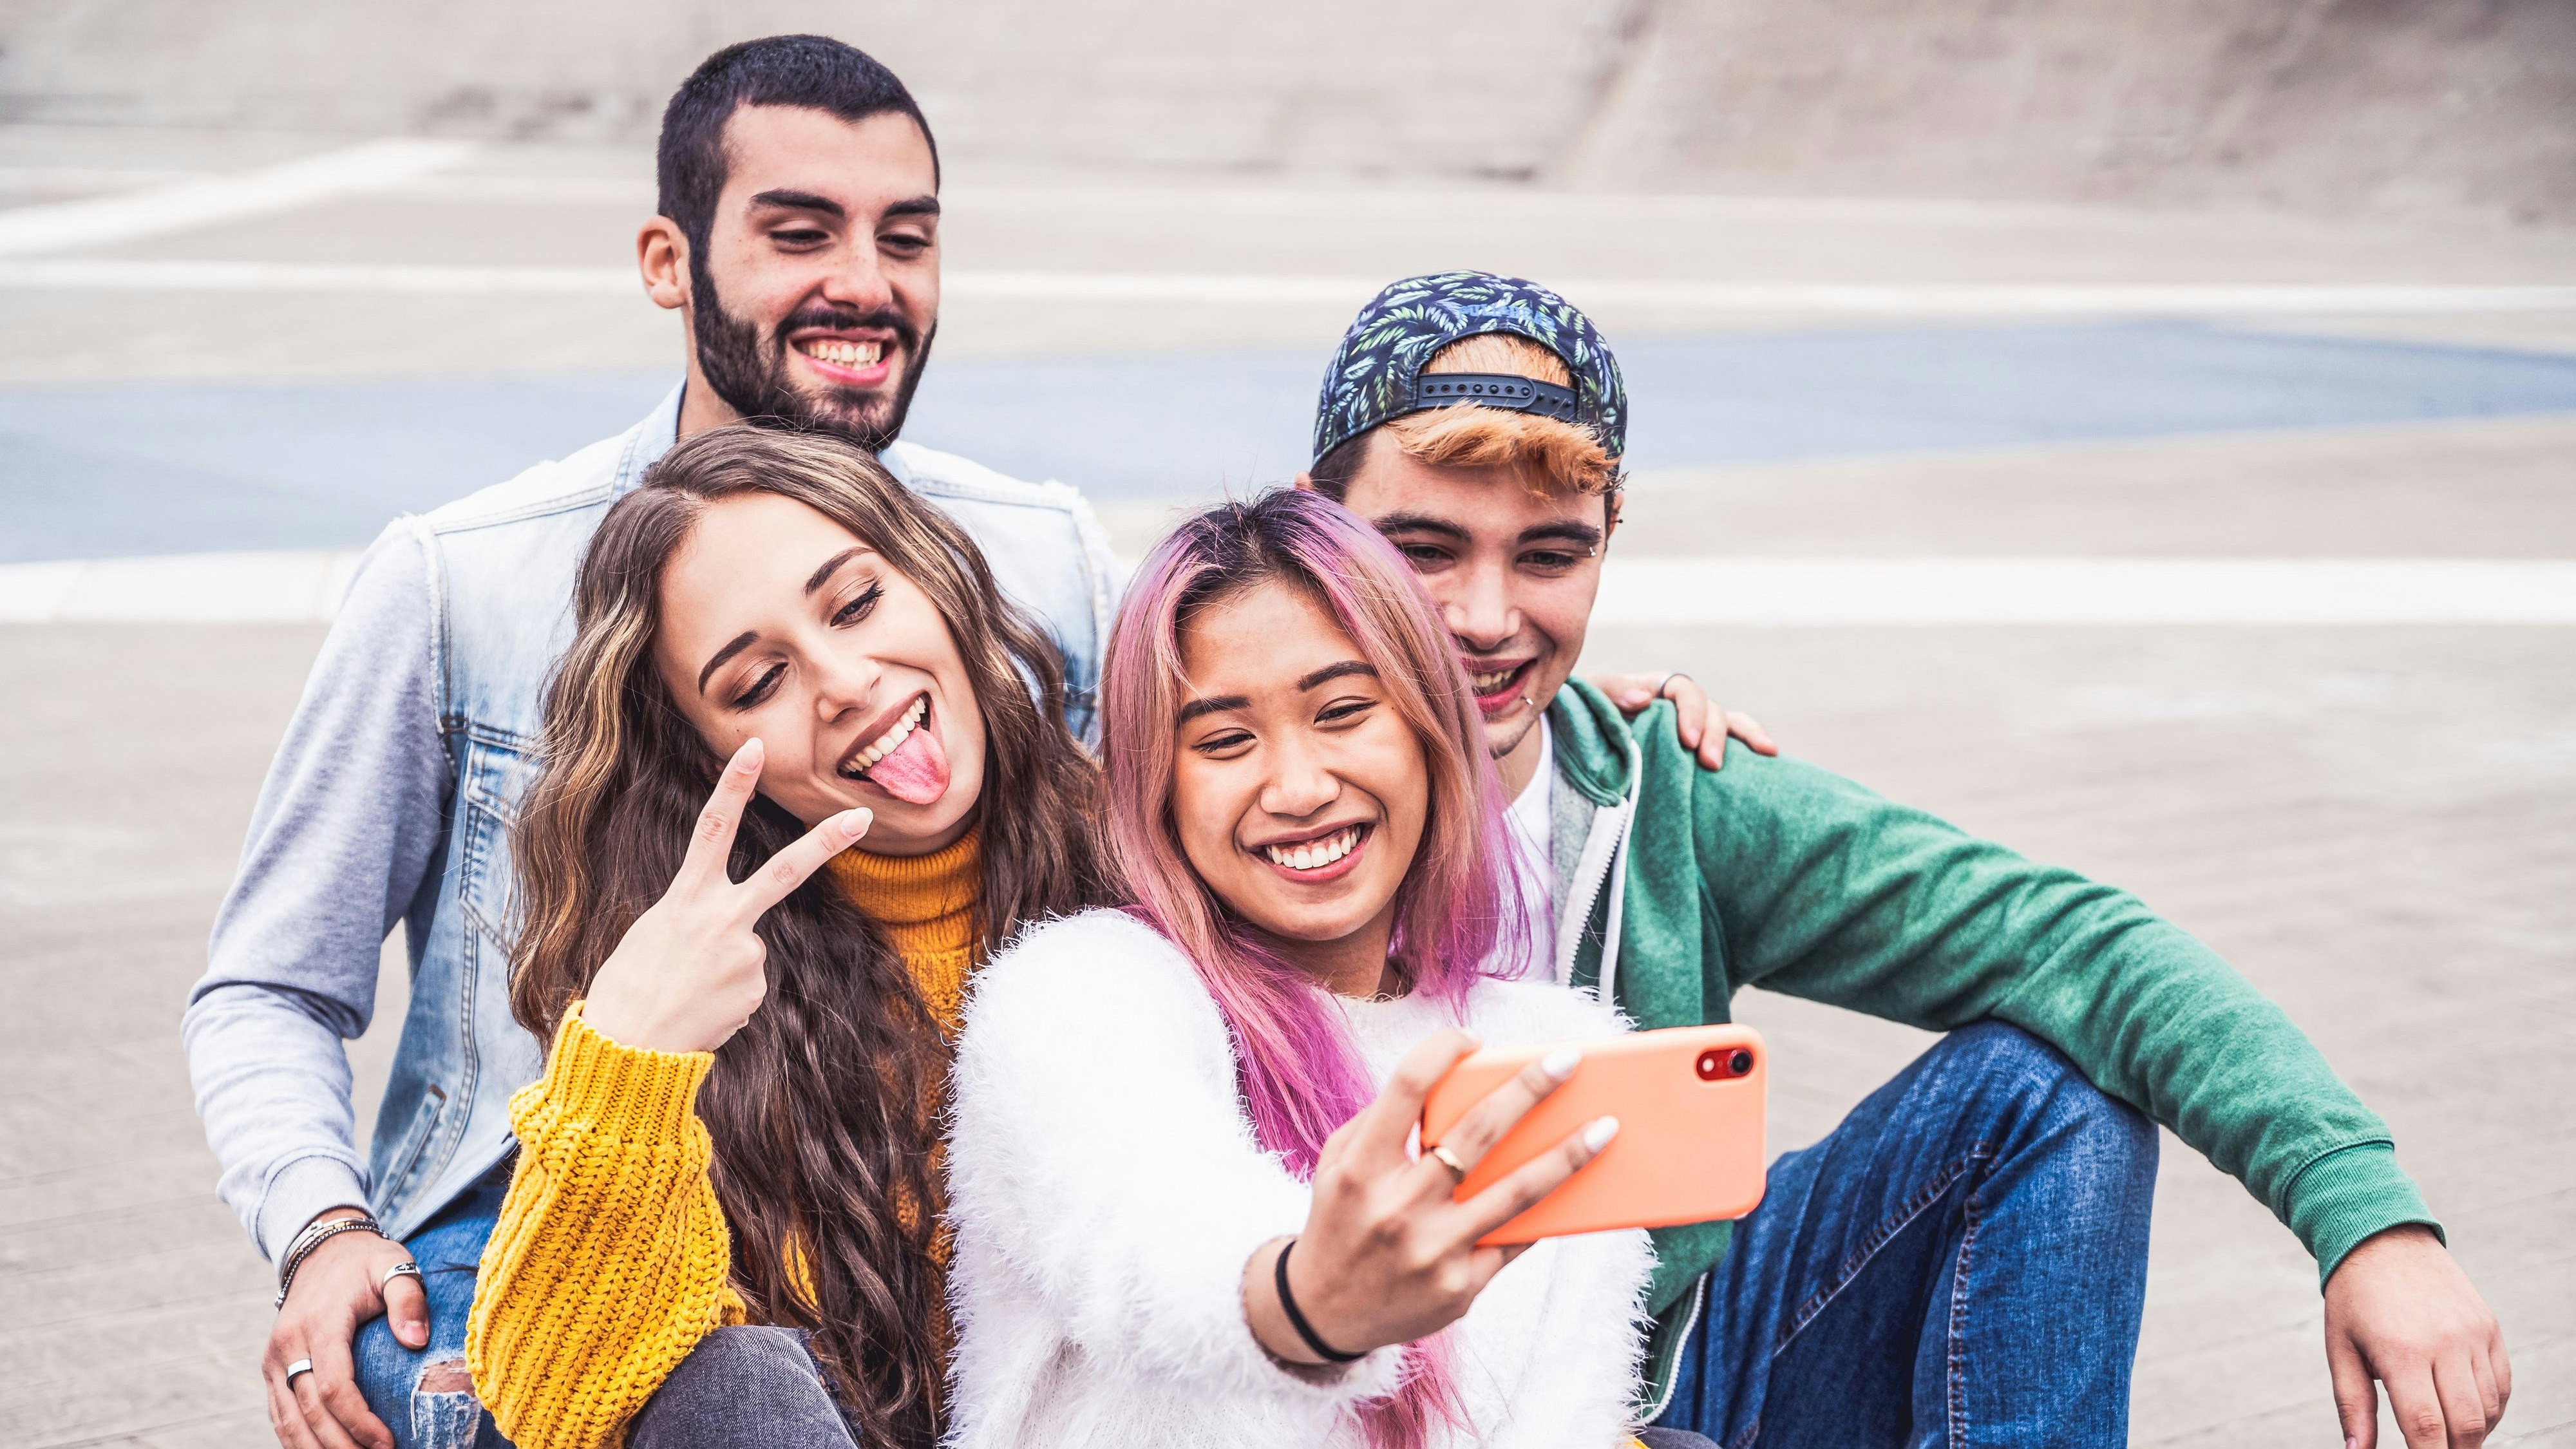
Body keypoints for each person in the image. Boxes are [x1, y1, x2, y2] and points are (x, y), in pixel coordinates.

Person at [1295, 271, 2514, 1449]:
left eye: (1550, 556)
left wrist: (2366, 1220)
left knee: (2047, 1092)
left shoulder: (1664, 792)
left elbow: (2074, 943)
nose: (1488, 616)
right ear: (1314, 523)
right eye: (1425, 549)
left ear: (1610, 543)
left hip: (1650, 1385)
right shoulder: (1200, 776)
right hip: (1321, 1380)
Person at [183, 37, 1123, 1449]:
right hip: (528, 1205)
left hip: (910, 1198)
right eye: (798, 232)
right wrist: (319, 1228)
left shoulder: (1039, 555)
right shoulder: (465, 577)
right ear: (668, 260)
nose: (863, 282)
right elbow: (267, 983)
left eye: (905, 236)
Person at [943, 488, 1674, 1449]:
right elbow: (1140, 1232)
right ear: (1156, 783)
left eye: (1341, 711)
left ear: (1429, 726)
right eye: (1224, 739)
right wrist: (1307, 1300)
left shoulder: (1555, 1048)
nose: (1297, 786)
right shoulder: (1081, 993)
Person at [460, 424, 1109, 1449]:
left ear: (933, 575)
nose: (846, 680)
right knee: (738, 1383)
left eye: (856, 602)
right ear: (706, 754)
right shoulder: (697, 987)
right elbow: (540, 1413)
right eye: (757, 683)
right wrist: (631, 1060)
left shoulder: (1148, 858)